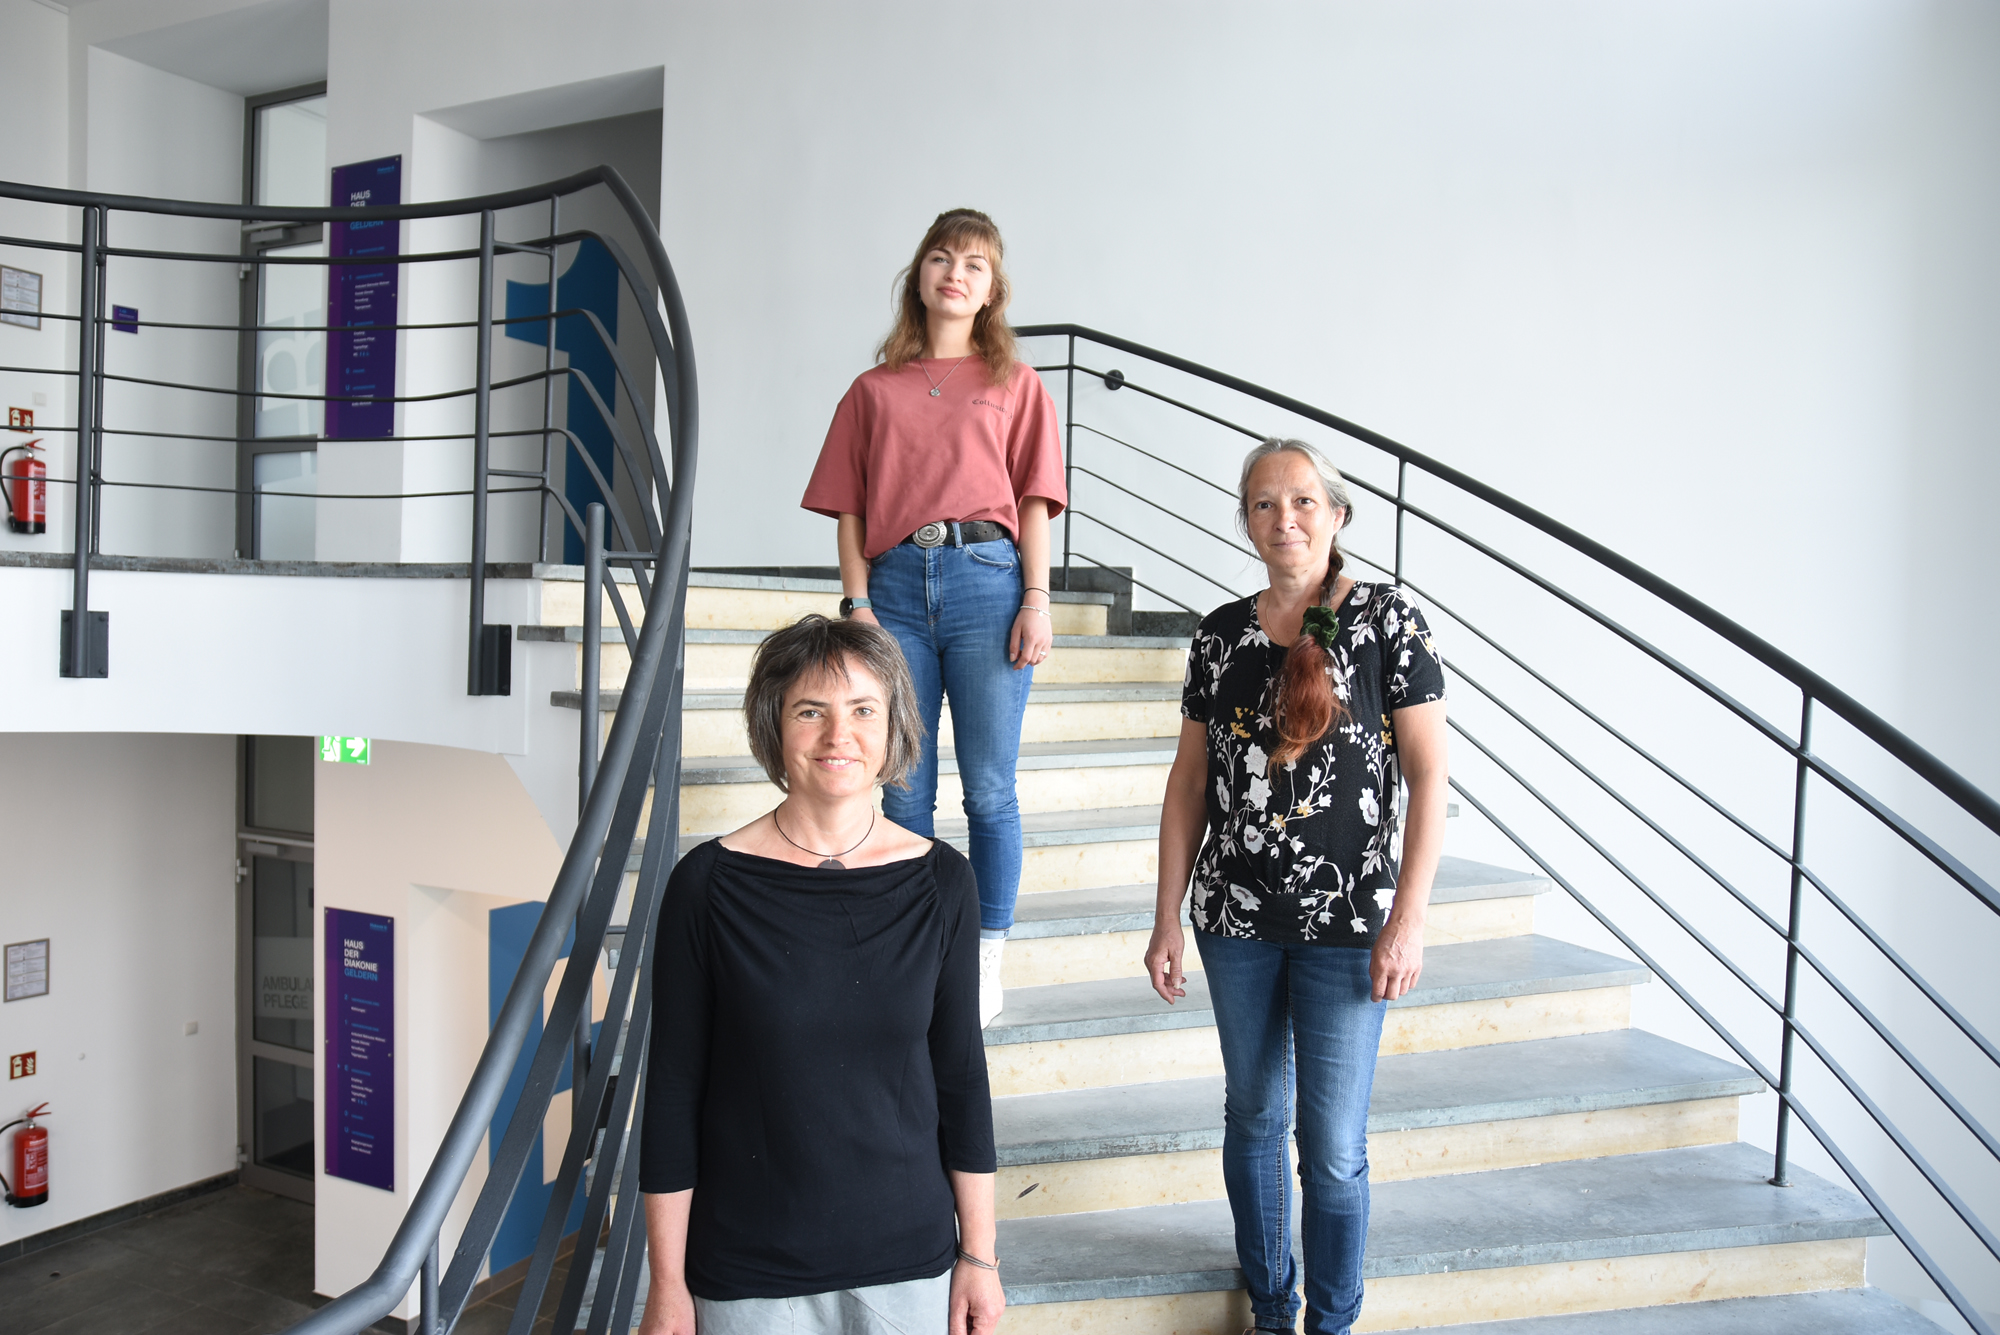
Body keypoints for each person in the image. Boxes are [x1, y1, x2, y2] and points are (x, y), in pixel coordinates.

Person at [1144, 438, 1449, 1335]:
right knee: (1252, 1116)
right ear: (1245, 520)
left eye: (1306, 501)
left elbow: (1430, 778)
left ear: (1339, 515)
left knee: (1335, 1151)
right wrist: (1166, 914)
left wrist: (1410, 917)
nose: (1287, 519)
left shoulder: (1389, 622)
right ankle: (1274, 1307)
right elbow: (1189, 784)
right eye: (1266, 504)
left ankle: (1334, 1320)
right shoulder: (1218, 635)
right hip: (1234, 919)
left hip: (1351, 924)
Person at [636, 615, 1004, 1335]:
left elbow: (961, 1078)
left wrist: (980, 1256)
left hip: (909, 1264)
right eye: (812, 710)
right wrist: (667, 1281)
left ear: (894, 727)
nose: (840, 735)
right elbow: (673, 1092)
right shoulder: (706, 885)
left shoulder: (943, 882)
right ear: (775, 727)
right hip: (748, 1271)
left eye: (864, 710)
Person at [801, 207, 1068, 1027]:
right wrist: (857, 603)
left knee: (989, 789)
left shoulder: (1015, 385)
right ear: (920, 274)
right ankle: (911, 947)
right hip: (894, 588)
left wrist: (1036, 597)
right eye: (943, 258)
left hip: (989, 579)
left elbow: (1032, 502)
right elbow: (848, 508)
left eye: (976, 265)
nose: (957, 273)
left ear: (992, 290)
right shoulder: (871, 390)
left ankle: (985, 953)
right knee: (904, 786)